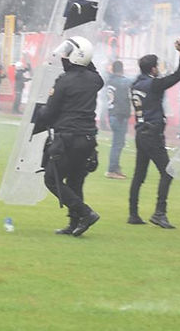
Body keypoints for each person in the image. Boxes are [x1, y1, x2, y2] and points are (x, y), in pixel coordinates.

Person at [35, 37, 104, 236]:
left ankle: (85, 213)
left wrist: (39, 114)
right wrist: (83, 57)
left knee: (51, 179)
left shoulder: (64, 81)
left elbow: (49, 113)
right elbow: (91, 71)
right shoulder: (94, 80)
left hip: (68, 138)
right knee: (75, 181)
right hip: (88, 140)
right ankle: (75, 224)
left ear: (75, 55)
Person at [128, 39, 180, 229]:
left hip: (140, 132)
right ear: (153, 69)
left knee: (139, 176)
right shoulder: (153, 85)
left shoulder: (135, 84)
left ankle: (133, 213)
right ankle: (159, 213)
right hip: (152, 133)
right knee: (168, 172)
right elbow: (178, 75)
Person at [105, 60, 132, 179]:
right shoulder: (121, 82)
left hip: (113, 114)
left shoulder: (111, 80)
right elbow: (130, 82)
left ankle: (115, 168)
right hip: (119, 116)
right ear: (122, 69)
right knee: (117, 144)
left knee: (118, 143)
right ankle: (112, 169)